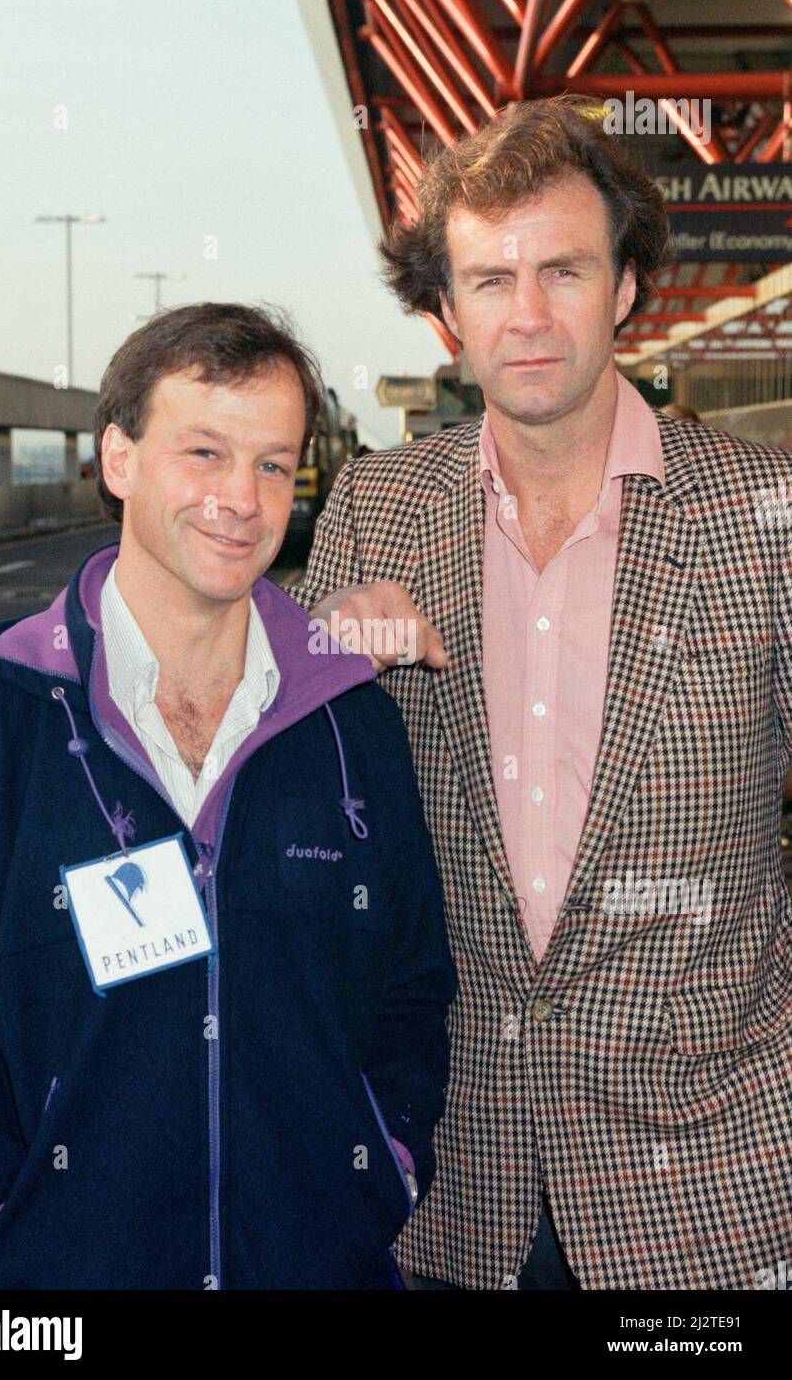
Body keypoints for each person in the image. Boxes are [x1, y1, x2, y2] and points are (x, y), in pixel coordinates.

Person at [292, 94, 792, 1291]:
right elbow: (293, 811)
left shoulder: (763, 517)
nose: (527, 316)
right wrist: (309, 664)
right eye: (488, 280)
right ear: (446, 315)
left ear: (626, 289)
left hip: (709, 1180)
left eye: (562, 269)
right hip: (453, 1173)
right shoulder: (375, 509)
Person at [0, 302, 456, 1290]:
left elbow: (412, 985)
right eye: (204, 452)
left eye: (271, 462)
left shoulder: (353, 726)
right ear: (118, 460)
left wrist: (382, 1163)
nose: (243, 501)